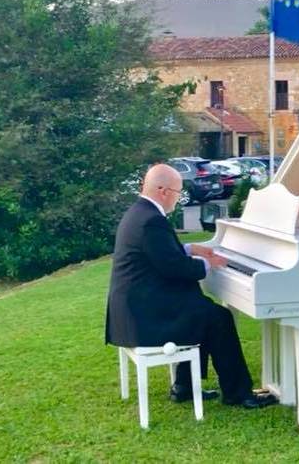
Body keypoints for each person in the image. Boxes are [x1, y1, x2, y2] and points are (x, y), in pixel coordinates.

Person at [105, 164, 277, 409]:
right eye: (178, 191)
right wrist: (208, 263)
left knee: (200, 309)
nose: (179, 198)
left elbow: (159, 253)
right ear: (163, 191)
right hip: (143, 318)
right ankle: (238, 394)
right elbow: (174, 268)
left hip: (135, 309)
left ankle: (184, 386)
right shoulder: (151, 220)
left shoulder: (140, 212)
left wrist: (189, 249)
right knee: (218, 317)